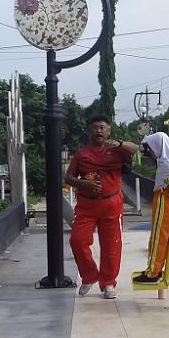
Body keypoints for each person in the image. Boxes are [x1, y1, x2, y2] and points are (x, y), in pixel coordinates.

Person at [65, 116, 139, 299]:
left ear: (109, 131)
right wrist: (83, 184)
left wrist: (119, 143)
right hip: (86, 206)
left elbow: (136, 149)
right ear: (90, 131)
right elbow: (68, 178)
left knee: (111, 246)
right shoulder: (82, 154)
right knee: (77, 240)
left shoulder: (117, 150)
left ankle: (108, 283)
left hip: (112, 204)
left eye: (102, 127)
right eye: (95, 127)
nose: (98, 130)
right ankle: (90, 275)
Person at [133, 132, 169, 287]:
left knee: (158, 236)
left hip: (165, 198)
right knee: (163, 236)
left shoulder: (167, 163)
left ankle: (153, 272)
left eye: (150, 148)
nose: (150, 152)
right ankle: (156, 268)